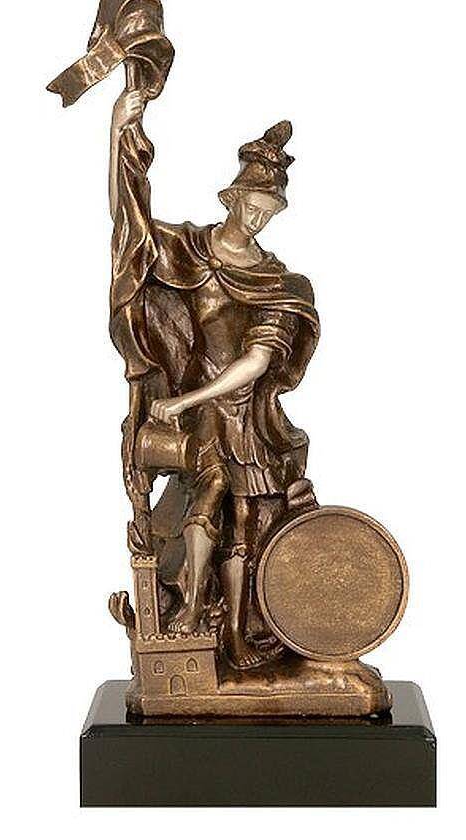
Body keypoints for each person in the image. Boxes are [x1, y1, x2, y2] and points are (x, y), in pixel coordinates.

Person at [109, 90, 319, 667]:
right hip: (200, 413)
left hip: (246, 417)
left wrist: (184, 403)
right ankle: (192, 608)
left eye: (270, 211)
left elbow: (255, 363)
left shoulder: (278, 282)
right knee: (204, 499)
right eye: (253, 204)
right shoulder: (189, 252)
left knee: (247, 525)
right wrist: (121, 135)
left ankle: (238, 632)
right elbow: (130, 228)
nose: (258, 218)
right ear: (233, 197)